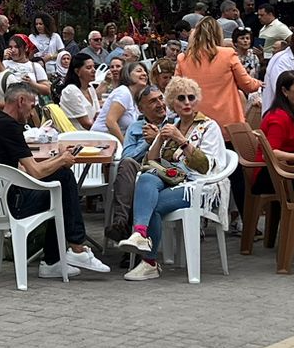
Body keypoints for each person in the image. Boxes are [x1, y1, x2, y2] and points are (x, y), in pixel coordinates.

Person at [0, 84, 107, 277]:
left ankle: (54, 260)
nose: (32, 112)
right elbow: (35, 172)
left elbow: (26, 168)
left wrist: (59, 159)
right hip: (11, 206)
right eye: (32, 106)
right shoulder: (9, 127)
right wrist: (62, 160)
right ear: (21, 101)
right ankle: (76, 248)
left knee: (59, 183)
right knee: (63, 180)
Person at [114, 74, 224, 281]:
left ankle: (149, 262)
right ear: (172, 102)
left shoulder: (209, 126)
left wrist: (181, 140)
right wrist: (159, 138)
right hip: (171, 180)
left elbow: (205, 166)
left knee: (152, 204)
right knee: (147, 177)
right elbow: (153, 161)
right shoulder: (172, 124)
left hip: (198, 185)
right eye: (181, 98)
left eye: (191, 97)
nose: (187, 102)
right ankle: (140, 234)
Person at [176, 18, 262, 137]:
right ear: (218, 34)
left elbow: (175, 91)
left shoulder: (183, 58)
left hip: (195, 124)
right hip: (227, 124)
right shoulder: (228, 54)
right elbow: (248, 85)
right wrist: (259, 83)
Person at [56, 53, 103, 129]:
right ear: (77, 71)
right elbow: (86, 124)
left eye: (94, 67)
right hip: (78, 134)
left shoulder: (90, 88)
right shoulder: (70, 91)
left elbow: (98, 114)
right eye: (89, 68)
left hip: (94, 130)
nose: (94, 70)